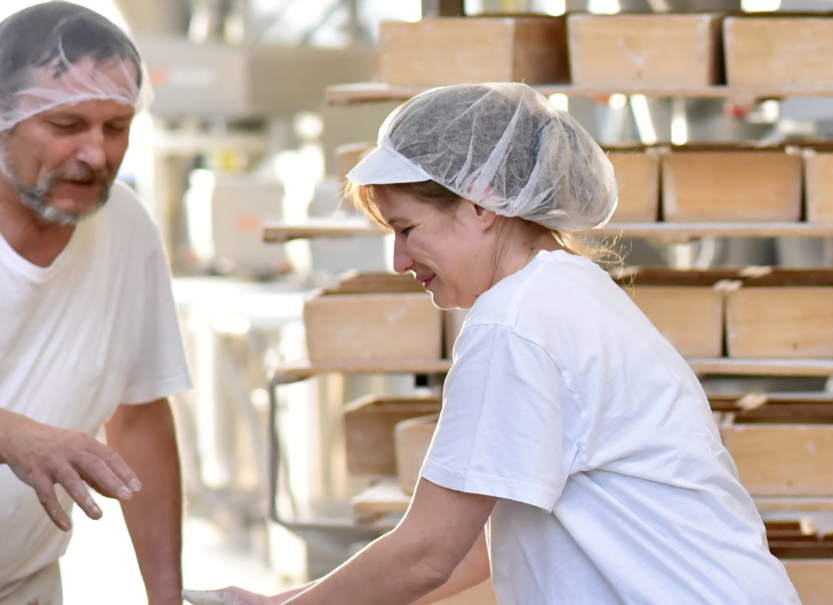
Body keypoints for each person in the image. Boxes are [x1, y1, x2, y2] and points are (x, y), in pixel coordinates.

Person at [197, 83, 799, 604]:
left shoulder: (515, 323)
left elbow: (427, 553)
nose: (400, 259)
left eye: (407, 228)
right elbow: (467, 550)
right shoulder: (563, 291)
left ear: (481, 201)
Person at [0, 4, 189, 604]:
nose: (96, 155)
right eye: (66, 126)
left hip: (23, 582)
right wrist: (14, 436)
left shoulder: (125, 227)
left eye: (116, 127)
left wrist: (166, 598)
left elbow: (139, 416)